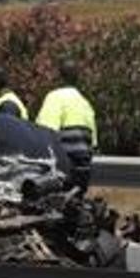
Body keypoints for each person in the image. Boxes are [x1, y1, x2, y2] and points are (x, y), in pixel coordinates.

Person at [36, 59, 97, 191]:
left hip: (62, 175)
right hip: (82, 176)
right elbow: (93, 145)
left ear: (59, 77)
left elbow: (44, 134)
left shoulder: (54, 98)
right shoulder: (86, 104)